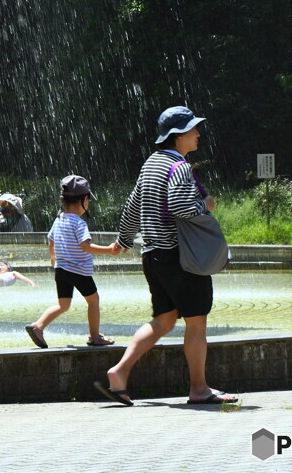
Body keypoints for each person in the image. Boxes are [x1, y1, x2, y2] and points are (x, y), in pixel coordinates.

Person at [95, 106, 239, 407]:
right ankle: (199, 389)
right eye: (193, 129)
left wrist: (123, 240)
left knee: (162, 320)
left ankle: (119, 373)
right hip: (181, 259)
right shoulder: (181, 167)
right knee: (197, 323)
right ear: (177, 136)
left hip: (153, 257)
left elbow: (133, 207)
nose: (198, 134)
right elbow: (180, 207)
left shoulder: (150, 164)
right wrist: (206, 204)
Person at [24, 175, 123, 350]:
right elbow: (85, 246)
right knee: (93, 300)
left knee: (63, 304)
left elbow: (51, 241)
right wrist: (108, 250)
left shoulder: (59, 219)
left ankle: (38, 326)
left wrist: (53, 258)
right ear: (84, 200)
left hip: (61, 269)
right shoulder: (79, 223)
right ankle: (95, 336)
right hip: (78, 271)